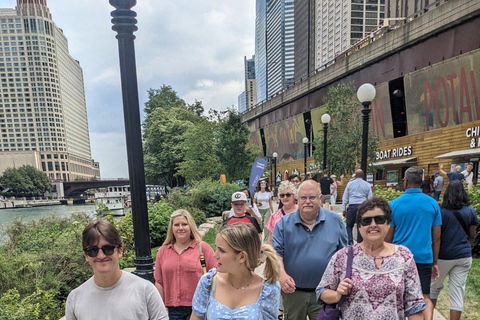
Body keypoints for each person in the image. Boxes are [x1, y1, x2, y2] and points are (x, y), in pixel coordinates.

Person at [317, 197, 426, 319]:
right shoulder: (343, 256)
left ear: (388, 223)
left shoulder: (404, 256)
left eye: (379, 219)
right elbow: (321, 292)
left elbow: (414, 305)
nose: (373, 225)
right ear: (359, 227)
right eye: (366, 221)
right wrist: (337, 295)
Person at [272, 180, 347, 320]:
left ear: (320, 198)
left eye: (312, 197)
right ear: (297, 199)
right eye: (303, 198)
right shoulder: (283, 224)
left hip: (325, 294)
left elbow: (344, 254)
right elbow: (276, 254)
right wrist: (281, 275)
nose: (307, 201)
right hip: (294, 293)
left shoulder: (335, 221)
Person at [66, 220, 168, 320]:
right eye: (93, 250)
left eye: (108, 249)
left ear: (120, 251)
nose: (101, 256)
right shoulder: (75, 299)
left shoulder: (145, 291)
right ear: (86, 255)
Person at [191, 223, 281, 320]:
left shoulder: (267, 290)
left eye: (222, 250)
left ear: (242, 257)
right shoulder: (209, 283)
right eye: (216, 248)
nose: (215, 255)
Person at [386, 166, 442, 320]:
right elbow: (436, 237)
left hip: (399, 258)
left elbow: (388, 236)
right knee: (424, 296)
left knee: (399, 296)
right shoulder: (432, 204)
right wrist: (435, 262)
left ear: (406, 181)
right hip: (423, 257)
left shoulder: (394, 204)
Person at [154, 209, 217, 320]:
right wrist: (160, 309)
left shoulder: (203, 248)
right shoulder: (163, 251)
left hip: (199, 308)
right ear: (172, 228)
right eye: (177, 225)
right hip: (173, 310)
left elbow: (217, 275)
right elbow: (159, 282)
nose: (181, 228)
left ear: (190, 226)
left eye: (184, 224)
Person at [430, 181, 479, 320]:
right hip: (464, 255)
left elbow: (436, 236)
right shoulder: (470, 210)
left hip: (444, 255)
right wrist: (467, 247)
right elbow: (472, 234)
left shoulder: (441, 213)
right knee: (458, 292)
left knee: (433, 288)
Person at [342, 169, 373, 245]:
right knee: (360, 225)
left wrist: (343, 209)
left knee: (349, 226)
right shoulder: (367, 185)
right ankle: (359, 242)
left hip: (352, 206)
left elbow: (345, 197)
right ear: (363, 176)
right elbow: (370, 198)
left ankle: (350, 241)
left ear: (355, 175)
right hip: (363, 207)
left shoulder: (350, 184)